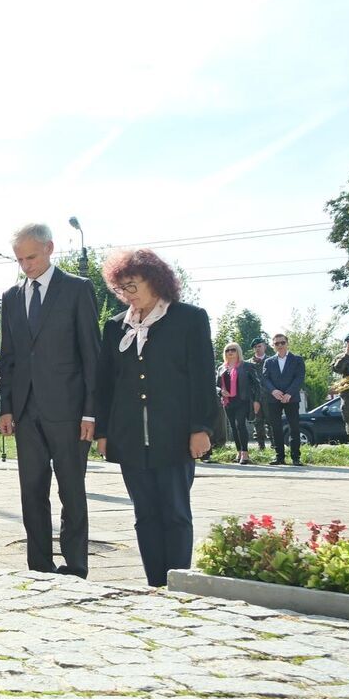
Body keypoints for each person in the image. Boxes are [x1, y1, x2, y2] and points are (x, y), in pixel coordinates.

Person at [94, 248, 216, 587]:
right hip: (129, 435)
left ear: (155, 280)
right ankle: (155, 584)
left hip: (175, 434)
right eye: (121, 289)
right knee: (144, 514)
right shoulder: (116, 326)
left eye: (132, 286)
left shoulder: (189, 318)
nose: (127, 295)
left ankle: (176, 582)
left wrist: (201, 427)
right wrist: (104, 432)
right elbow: (105, 385)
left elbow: (203, 378)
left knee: (175, 512)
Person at [0, 223, 100, 578]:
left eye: (31, 257)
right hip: (26, 412)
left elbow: (92, 354)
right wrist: (6, 406)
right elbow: (7, 356)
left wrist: (90, 411)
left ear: (50, 248)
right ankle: (39, 565)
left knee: (72, 489)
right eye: (19, 259)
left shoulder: (77, 289)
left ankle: (75, 566)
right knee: (32, 492)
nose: (25, 265)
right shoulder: (10, 297)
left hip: (70, 412)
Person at [263, 333, 306, 466]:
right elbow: (264, 378)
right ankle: (279, 457)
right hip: (274, 399)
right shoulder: (269, 361)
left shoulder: (297, 359)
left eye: (282, 343)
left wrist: (289, 393)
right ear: (273, 345)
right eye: (277, 343)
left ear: (287, 343)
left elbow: (299, 377)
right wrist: (274, 391)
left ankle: (295, 457)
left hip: (291, 399)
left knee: (294, 427)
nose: (280, 345)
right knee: (276, 428)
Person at [217, 342, 259, 465]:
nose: (230, 352)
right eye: (227, 350)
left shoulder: (246, 366)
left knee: (240, 424)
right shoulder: (221, 368)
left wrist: (257, 400)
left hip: (242, 400)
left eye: (233, 350)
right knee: (233, 427)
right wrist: (221, 391)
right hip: (227, 402)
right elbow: (216, 386)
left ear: (238, 352)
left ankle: (245, 453)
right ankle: (239, 451)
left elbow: (257, 384)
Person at [246, 338, 271, 450]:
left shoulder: (271, 361)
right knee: (258, 422)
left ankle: (275, 447)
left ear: (264, 347)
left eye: (259, 346)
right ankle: (261, 447)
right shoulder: (247, 364)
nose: (257, 348)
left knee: (272, 421)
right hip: (255, 397)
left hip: (269, 396)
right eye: (255, 347)